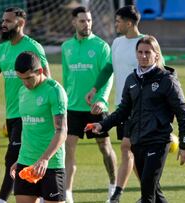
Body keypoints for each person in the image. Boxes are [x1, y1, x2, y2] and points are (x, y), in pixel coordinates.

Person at [85, 35, 185, 203]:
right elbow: (123, 111)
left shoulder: (167, 80)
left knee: (147, 193)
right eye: (140, 52)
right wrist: (102, 124)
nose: (143, 56)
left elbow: (183, 113)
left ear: (156, 55)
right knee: (155, 193)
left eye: (147, 52)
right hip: (137, 142)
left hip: (158, 141)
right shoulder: (132, 79)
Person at [0, 7, 51, 203]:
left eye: (7, 20)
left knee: (13, 159)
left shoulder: (34, 47)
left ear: (21, 23)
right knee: (21, 158)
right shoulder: (1, 50)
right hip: (13, 115)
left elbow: (48, 79)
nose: (3, 24)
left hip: (31, 114)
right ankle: (39, 195)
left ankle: (2, 200)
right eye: (3, 20)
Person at [85, 5, 144, 202]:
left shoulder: (145, 44)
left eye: (118, 21)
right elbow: (109, 67)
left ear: (129, 22)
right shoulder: (117, 43)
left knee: (128, 148)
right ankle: (148, 192)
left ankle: (117, 194)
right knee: (131, 150)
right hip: (122, 107)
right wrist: (94, 88)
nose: (115, 24)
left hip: (141, 107)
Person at [61, 6, 117, 203]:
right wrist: (65, 101)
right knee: (68, 148)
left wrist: (101, 100)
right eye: (83, 21)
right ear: (74, 22)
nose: (87, 24)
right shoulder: (66, 47)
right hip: (73, 107)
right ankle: (67, 193)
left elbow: (108, 76)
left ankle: (113, 186)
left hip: (96, 108)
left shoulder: (102, 46)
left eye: (89, 20)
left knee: (105, 147)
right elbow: (67, 78)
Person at [10, 51, 67, 203]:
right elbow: (28, 127)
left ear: (40, 71)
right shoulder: (22, 91)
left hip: (51, 164)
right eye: (21, 79)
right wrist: (21, 158)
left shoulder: (54, 91)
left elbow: (62, 130)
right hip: (26, 161)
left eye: (29, 78)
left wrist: (44, 159)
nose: (25, 83)